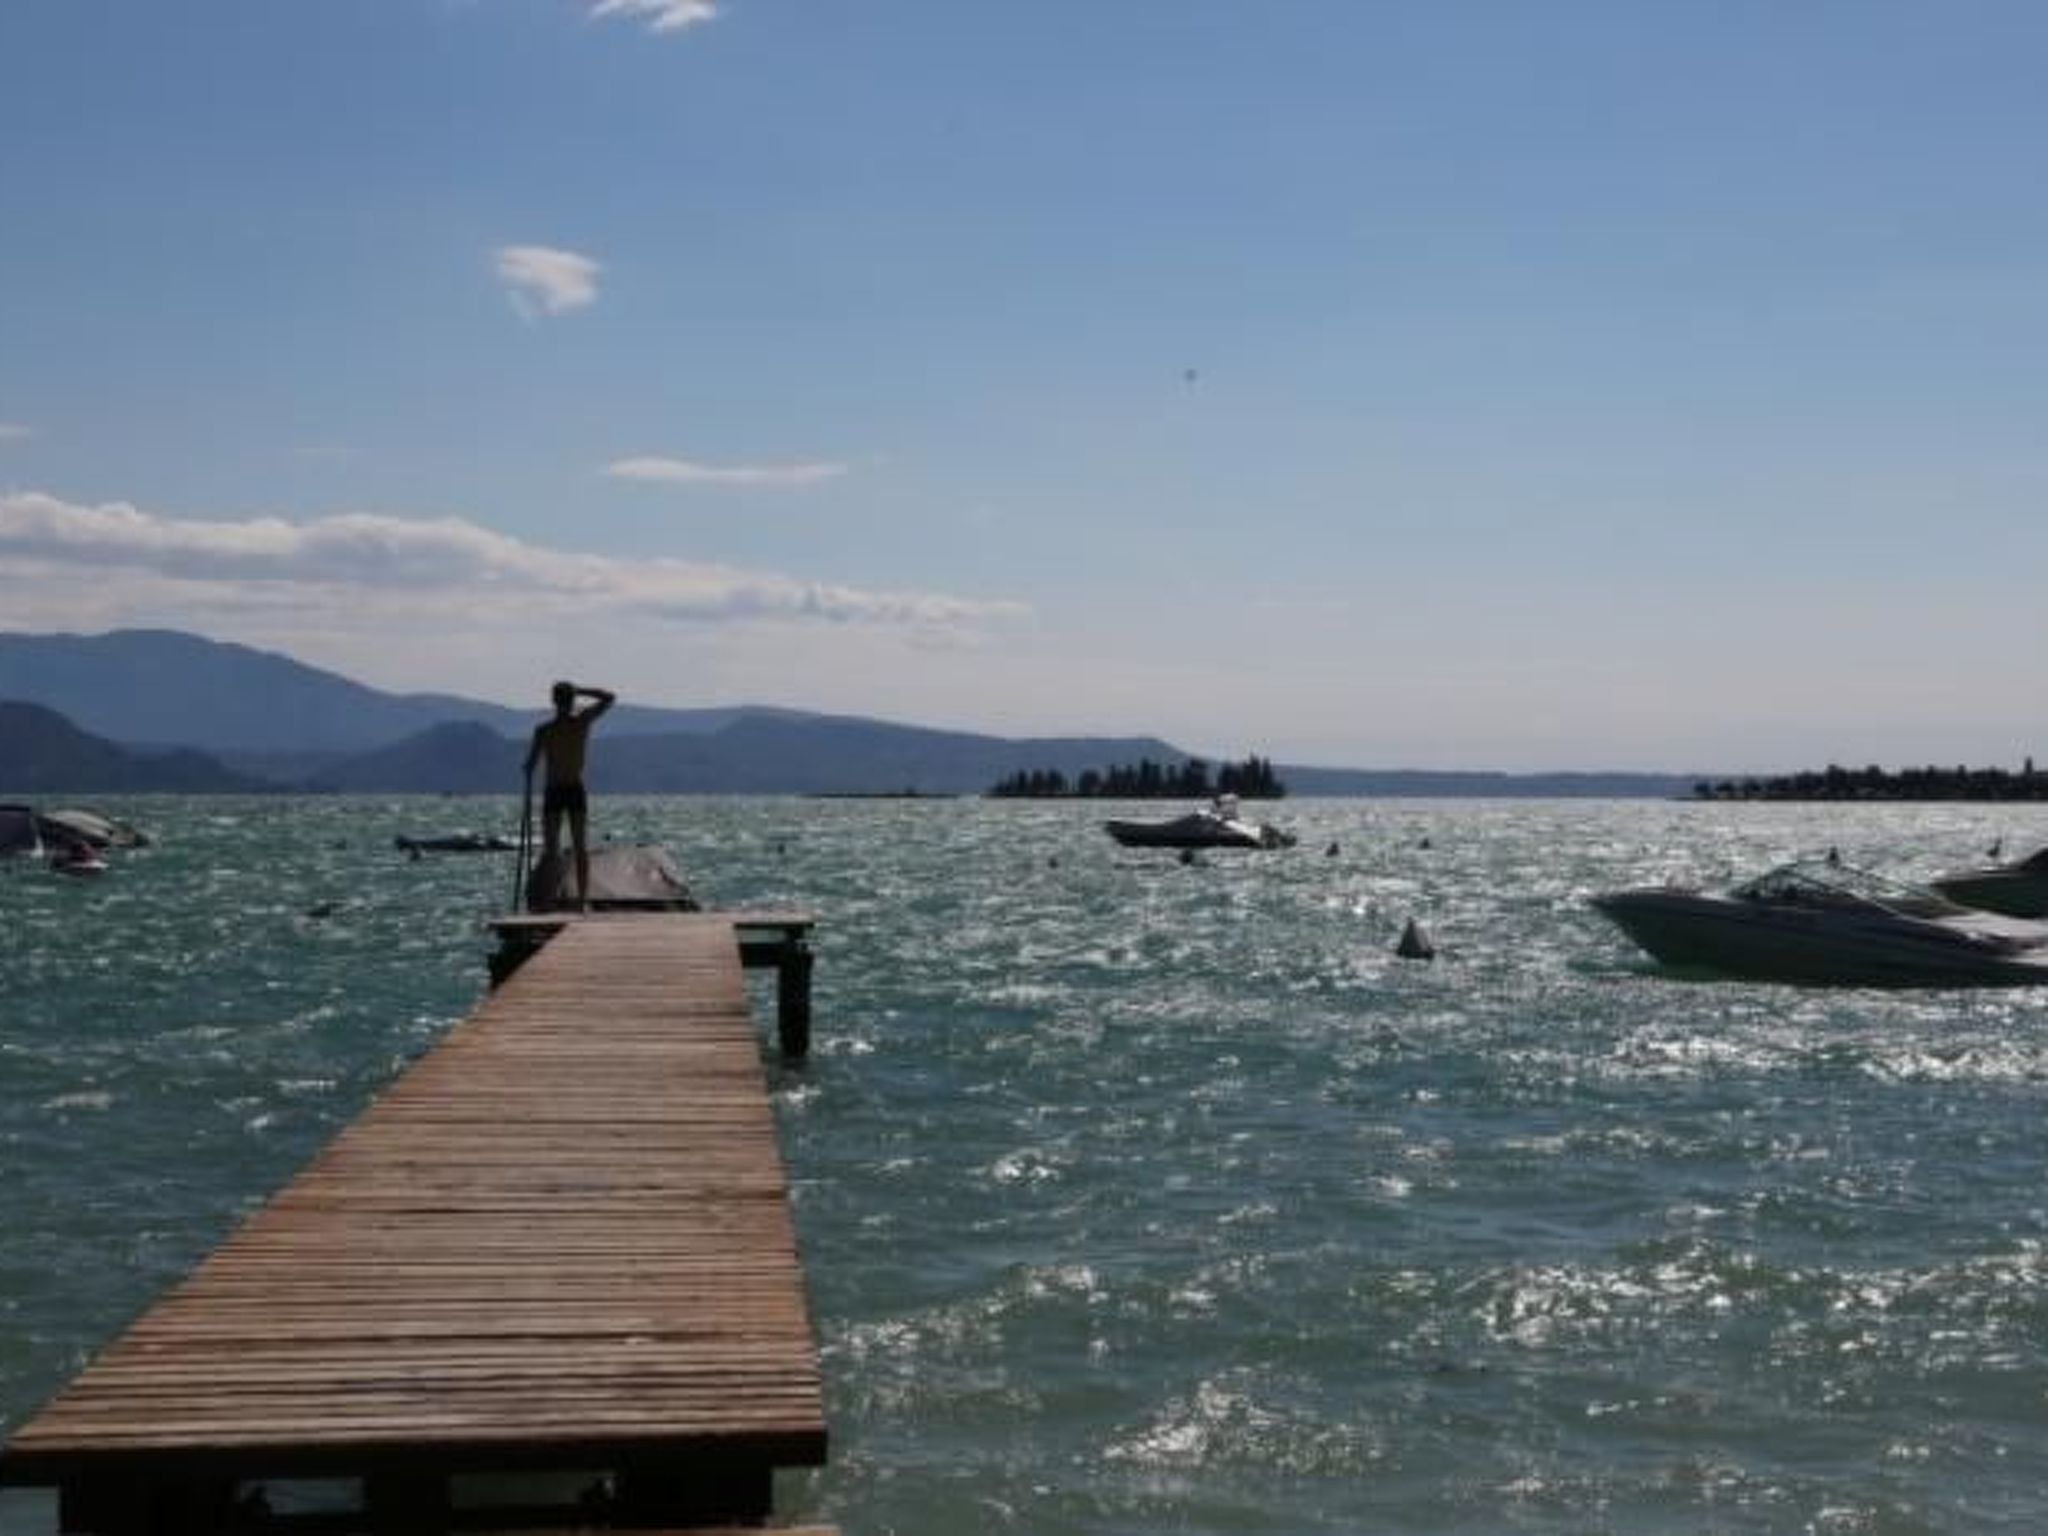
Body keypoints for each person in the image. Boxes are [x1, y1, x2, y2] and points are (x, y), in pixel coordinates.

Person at [525, 680, 616, 909]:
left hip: (569, 789)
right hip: (559, 790)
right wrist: (528, 768)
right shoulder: (548, 730)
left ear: (556, 701)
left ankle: (579, 900)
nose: (566, 704)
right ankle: (556, 899)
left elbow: (610, 698)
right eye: (566, 699)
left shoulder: (578, 722)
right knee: (556, 849)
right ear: (558, 702)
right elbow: (531, 763)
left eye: (567, 700)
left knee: (571, 847)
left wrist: (578, 690)